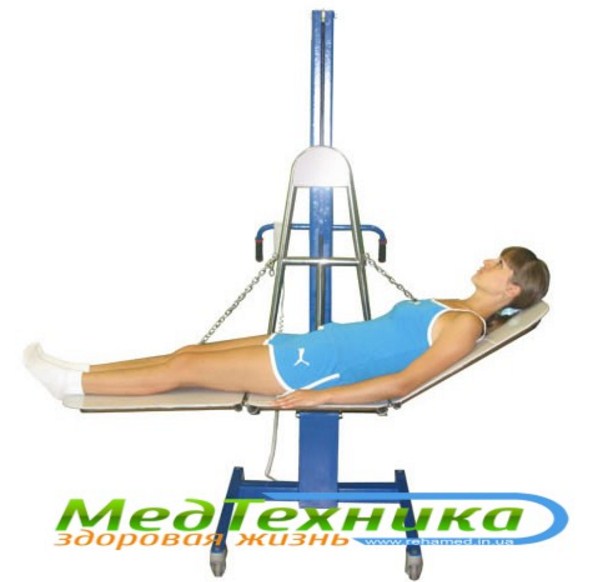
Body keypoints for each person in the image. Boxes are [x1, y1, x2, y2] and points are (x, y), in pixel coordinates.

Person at [23, 246, 549, 409]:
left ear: (510, 290)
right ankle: (83, 369)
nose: (487, 261)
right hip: (311, 345)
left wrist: (319, 397)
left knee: (184, 368)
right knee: (187, 352)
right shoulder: (453, 304)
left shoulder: (463, 326)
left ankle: (70, 385)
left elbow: (402, 383)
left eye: (499, 264)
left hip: (314, 369)